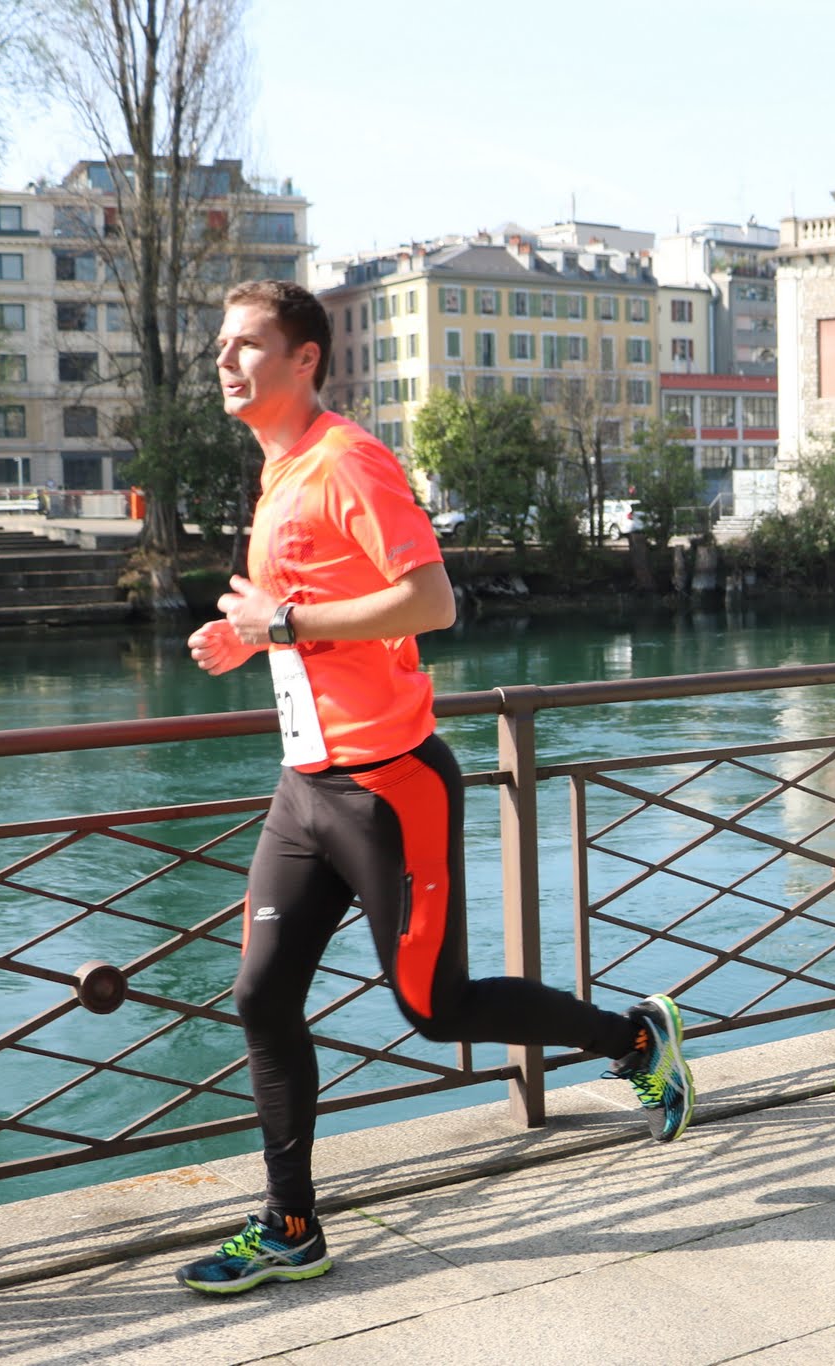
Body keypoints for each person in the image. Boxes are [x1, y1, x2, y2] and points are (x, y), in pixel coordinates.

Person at [176, 280, 694, 1296]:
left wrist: (284, 624)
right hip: (305, 784)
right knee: (260, 996)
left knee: (434, 1006)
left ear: (304, 359)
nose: (225, 362)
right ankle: (290, 1225)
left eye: (246, 346)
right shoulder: (278, 472)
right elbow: (314, 611)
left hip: (389, 787)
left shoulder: (347, 460)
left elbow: (431, 600)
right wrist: (255, 639)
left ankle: (636, 1039)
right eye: (221, 347)